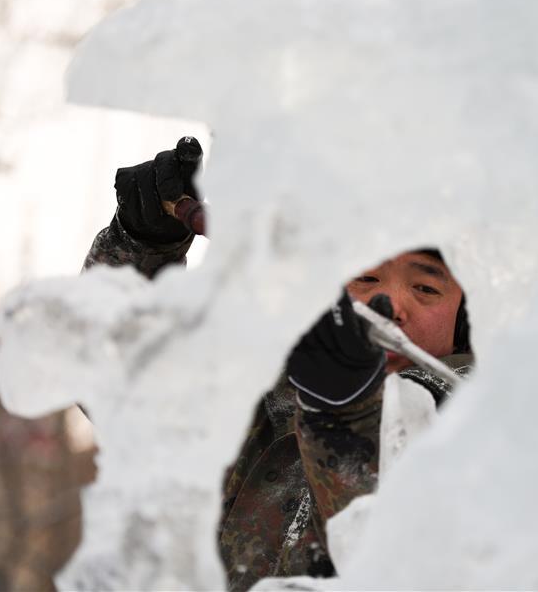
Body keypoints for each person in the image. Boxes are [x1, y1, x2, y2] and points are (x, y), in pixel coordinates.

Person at [82, 138, 474, 590]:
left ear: (467, 314)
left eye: (426, 288)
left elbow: (405, 546)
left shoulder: (485, 429)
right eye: (366, 277)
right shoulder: (264, 400)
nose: (391, 305)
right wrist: (138, 251)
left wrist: (345, 416)